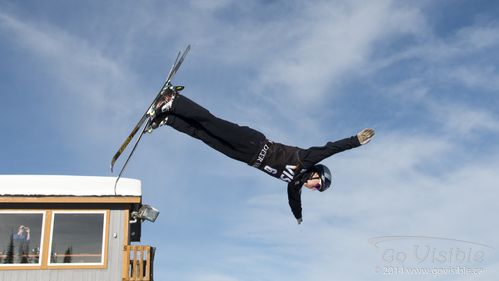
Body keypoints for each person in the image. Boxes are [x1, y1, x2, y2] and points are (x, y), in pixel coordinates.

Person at [147, 86, 375, 224]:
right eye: (318, 185)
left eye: (316, 190)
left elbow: (293, 199)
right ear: (317, 174)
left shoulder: (295, 182)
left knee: (205, 137)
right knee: (211, 123)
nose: (313, 188)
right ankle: (173, 100)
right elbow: (331, 148)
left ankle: (168, 118)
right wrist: (356, 141)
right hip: (254, 143)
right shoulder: (307, 160)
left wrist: (298, 217)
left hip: (246, 158)